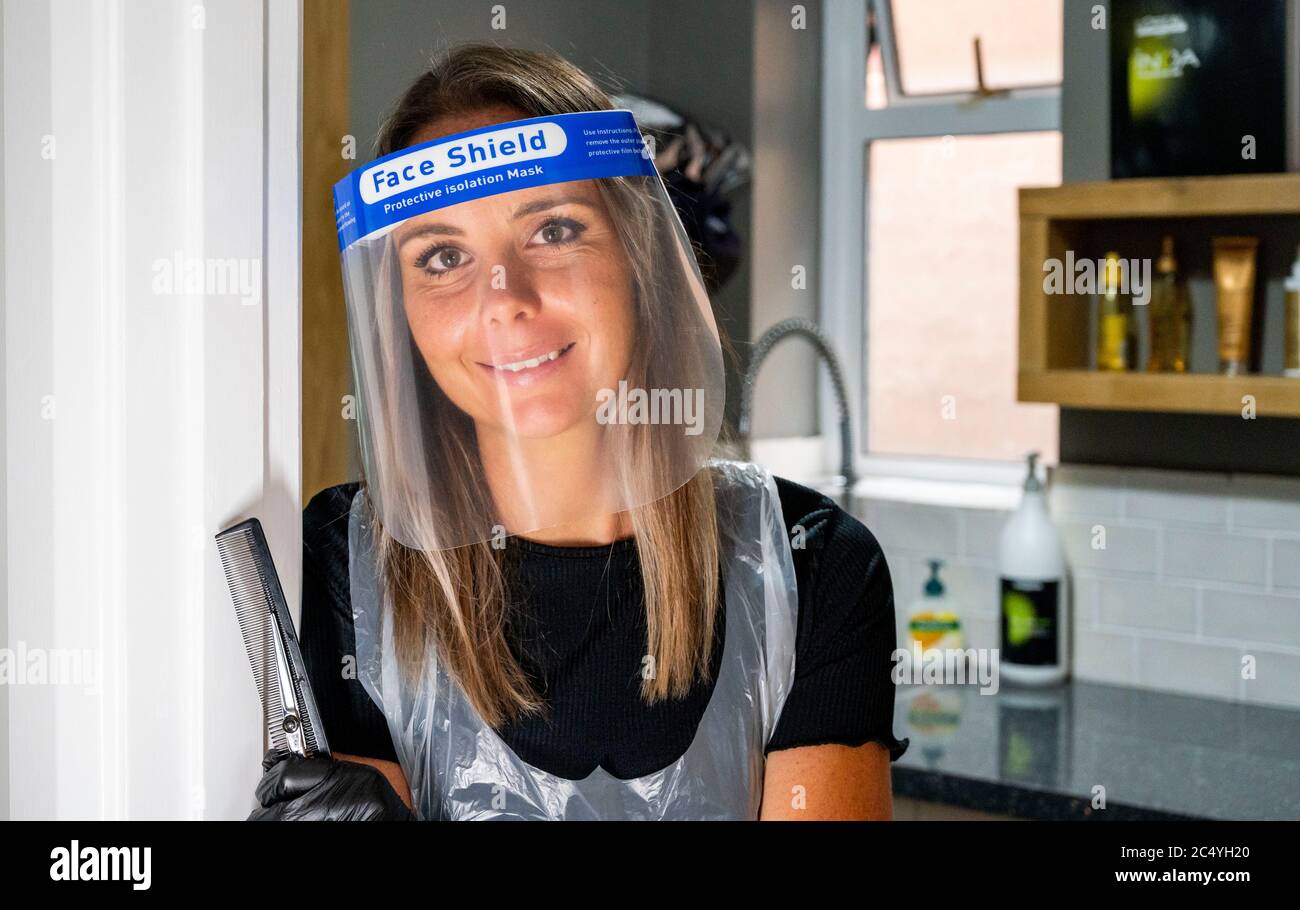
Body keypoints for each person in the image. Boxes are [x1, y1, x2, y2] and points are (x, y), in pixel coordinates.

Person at [249, 43, 906, 822]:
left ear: (640, 254)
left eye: (553, 230)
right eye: (443, 255)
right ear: (400, 310)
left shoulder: (808, 566)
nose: (504, 299)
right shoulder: (342, 568)